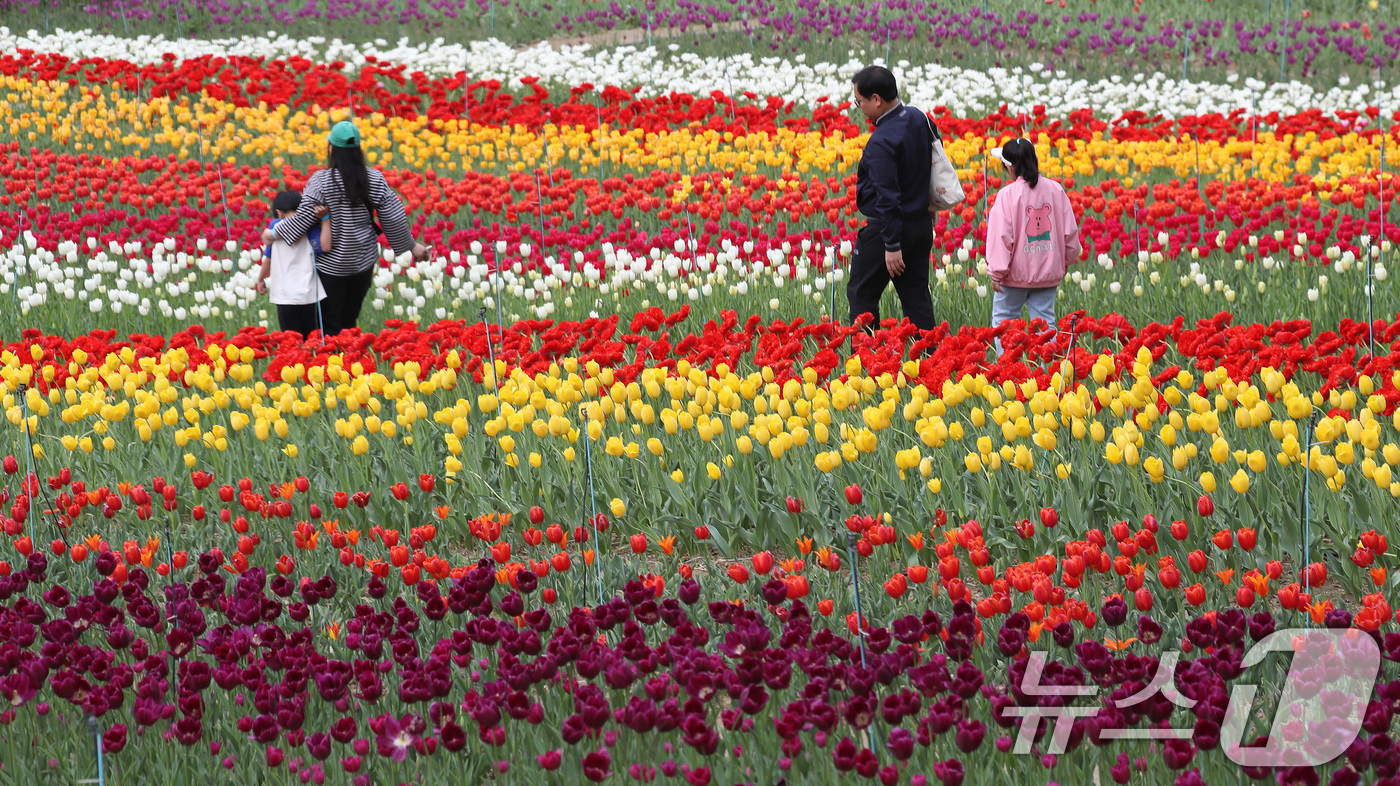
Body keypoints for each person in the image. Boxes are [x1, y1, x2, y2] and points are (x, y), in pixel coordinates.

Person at [270, 120, 429, 336]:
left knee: (329, 325)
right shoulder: (373, 178)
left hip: (331, 268)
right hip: (362, 264)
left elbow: (304, 217)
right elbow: (393, 215)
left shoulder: (321, 181)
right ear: (358, 149)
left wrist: (274, 233)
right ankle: (351, 353)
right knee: (349, 322)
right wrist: (411, 246)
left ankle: (334, 356)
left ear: (332, 148)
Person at [848, 65, 937, 333]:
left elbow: (887, 196)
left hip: (889, 231)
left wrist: (892, 244)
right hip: (921, 224)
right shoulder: (919, 118)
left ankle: (866, 354)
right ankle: (929, 355)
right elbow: (932, 164)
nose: (859, 108)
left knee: (861, 293)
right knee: (916, 296)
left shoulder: (881, 141)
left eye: (860, 101)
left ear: (876, 99)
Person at [985, 138, 1081, 357]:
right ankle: (1049, 370)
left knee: (1004, 322)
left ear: (1010, 167)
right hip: (1047, 274)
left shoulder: (1006, 196)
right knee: (1046, 325)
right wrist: (1066, 260)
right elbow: (1070, 232)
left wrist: (997, 272)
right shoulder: (1055, 190)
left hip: (1013, 276)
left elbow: (1001, 237)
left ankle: (1007, 367)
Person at [257, 191, 330, 338]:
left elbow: (268, 258)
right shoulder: (311, 227)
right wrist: (325, 219)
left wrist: (260, 279)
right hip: (309, 294)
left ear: (279, 212)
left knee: (291, 341)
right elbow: (323, 247)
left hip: (285, 295)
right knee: (311, 339)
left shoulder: (275, 229)